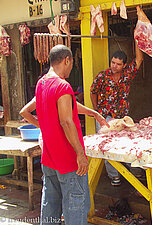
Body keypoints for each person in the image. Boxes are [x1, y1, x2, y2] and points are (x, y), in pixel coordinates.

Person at [20, 45, 109, 225]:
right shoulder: (63, 86)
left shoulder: (42, 83)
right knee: (75, 207)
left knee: (50, 205)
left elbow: (27, 112)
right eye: (71, 63)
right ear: (67, 60)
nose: (71, 68)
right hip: (69, 161)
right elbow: (67, 121)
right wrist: (80, 154)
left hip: (49, 158)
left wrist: (94, 113)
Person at [90, 41, 143, 186]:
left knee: (125, 145)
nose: (114, 66)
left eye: (118, 64)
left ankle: (126, 172)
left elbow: (139, 60)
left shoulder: (128, 74)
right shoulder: (102, 76)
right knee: (107, 147)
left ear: (124, 65)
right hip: (105, 117)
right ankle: (114, 176)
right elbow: (93, 92)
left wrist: (137, 38)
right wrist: (96, 111)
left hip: (122, 118)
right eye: (113, 62)